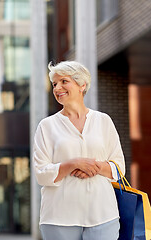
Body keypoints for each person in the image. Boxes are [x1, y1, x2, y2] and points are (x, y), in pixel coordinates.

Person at [33, 61, 125, 240]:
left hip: (103, 214)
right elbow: (40, 174)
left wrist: (94, 166)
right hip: (59, 217)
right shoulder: (46, 126)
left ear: (82, 85)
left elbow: (119, 168)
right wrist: (72, 164)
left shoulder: (103, 120)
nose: (57, 88)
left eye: (64, 81)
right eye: (54, 84)